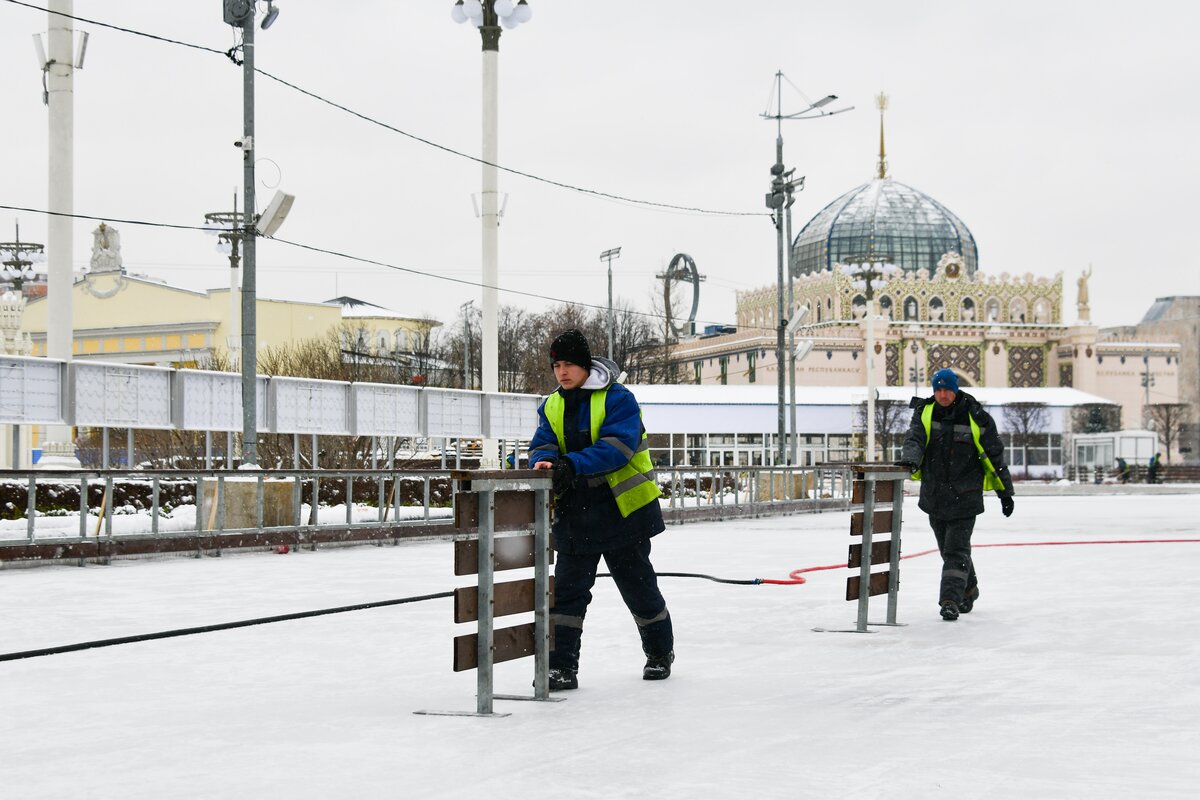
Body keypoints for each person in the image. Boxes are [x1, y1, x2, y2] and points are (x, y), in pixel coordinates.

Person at [528, 329, 673, 691]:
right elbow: (543, 442)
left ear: (585, 364)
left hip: (623, 511)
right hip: (576, 513)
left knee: (637, 586)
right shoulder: (551, 404)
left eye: (569, 364)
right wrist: (546, 461)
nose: (562, 372)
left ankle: (659, 653)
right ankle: (561, 667)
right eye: (557, 365)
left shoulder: (618, 398)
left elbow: (617, 447)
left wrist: (570, 465)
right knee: (567, 592)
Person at [898, 368, 1015, 621]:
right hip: (935, 497)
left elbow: (995, 456)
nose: (942, 394)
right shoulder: (925, 413)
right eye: (938, 389)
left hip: (966, 497)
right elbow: (914, 439)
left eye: (946, 389)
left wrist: (1005, 493)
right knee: (948, 550)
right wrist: (910, 460)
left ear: (956, 389)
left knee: (956, 551)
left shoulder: (976, 417)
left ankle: (950, 600)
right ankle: (969, 589)